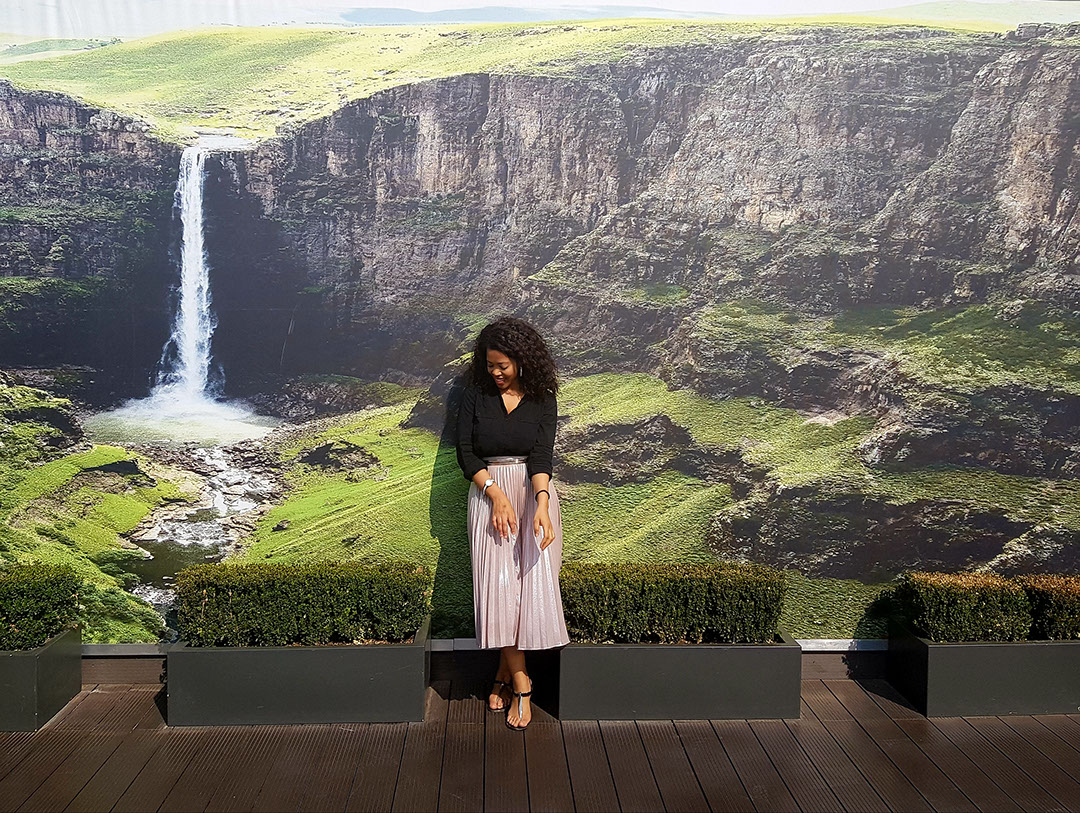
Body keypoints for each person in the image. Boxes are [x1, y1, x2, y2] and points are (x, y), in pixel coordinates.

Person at [455, 315, 570, 731]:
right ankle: (523, 683)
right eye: (490, 365)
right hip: (489, 495)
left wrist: (542, 503)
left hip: (532, 493)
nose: (496, 373)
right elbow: (466, 453)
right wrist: (495, 494)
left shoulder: (543, 398)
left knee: (530, 591)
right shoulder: (475, 394)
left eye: (502, 366)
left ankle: (503, 674)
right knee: (499, 592)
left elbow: (542, 456)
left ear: (522, 360)